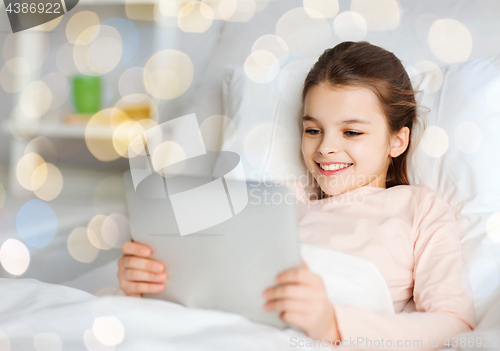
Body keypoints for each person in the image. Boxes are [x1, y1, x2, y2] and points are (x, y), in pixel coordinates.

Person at [117, 41, 475, 350]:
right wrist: (152, 280)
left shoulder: (419, 208)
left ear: (398, 140)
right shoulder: (278, 202)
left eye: (351, 132)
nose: (325, 148)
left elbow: (454, 322)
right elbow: (219, 286)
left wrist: (333, 324)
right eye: (313, 129)